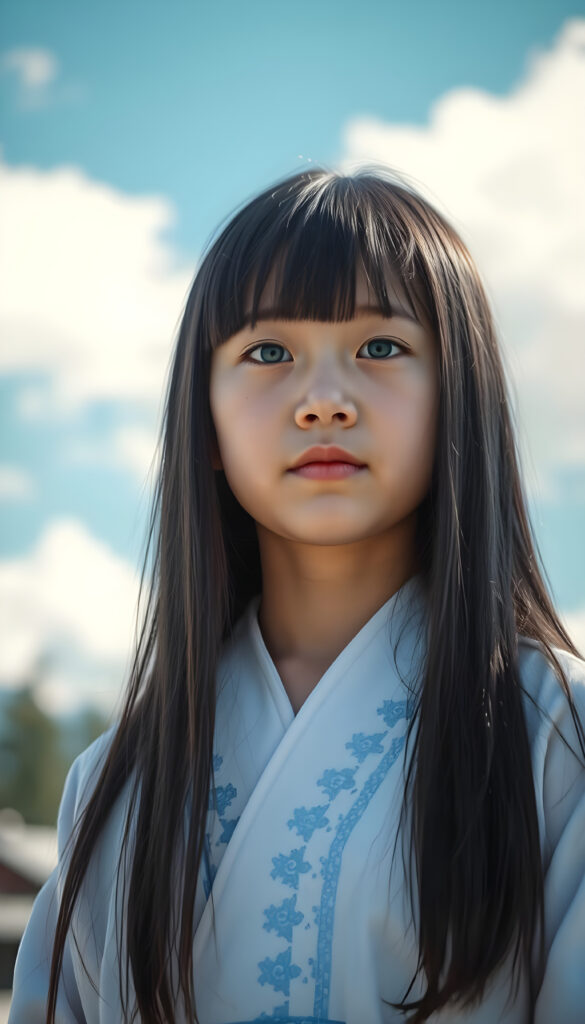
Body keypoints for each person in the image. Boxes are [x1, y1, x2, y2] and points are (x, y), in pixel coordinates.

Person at [9, 166, 585, 1024]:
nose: (322, 401)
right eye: (266, 352)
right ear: (203, 420)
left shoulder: (554, 739)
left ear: (458, 398)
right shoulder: (112, 783)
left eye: (380, 347)